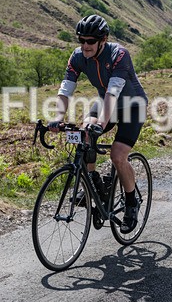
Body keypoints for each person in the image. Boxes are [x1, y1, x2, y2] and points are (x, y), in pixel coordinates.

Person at [48, 14, 148, 233]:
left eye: (91, 41)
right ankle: (94, 183)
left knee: (118, 155)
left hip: (132, 105)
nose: (85, 45)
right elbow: (65, 90)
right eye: (81, 40)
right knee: (84, 134)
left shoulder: (119, 55)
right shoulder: (77, 57)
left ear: (103, 40)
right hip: (105, 103)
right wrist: (58, 118)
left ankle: (131, 203)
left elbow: (113, 92)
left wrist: (101, 125)